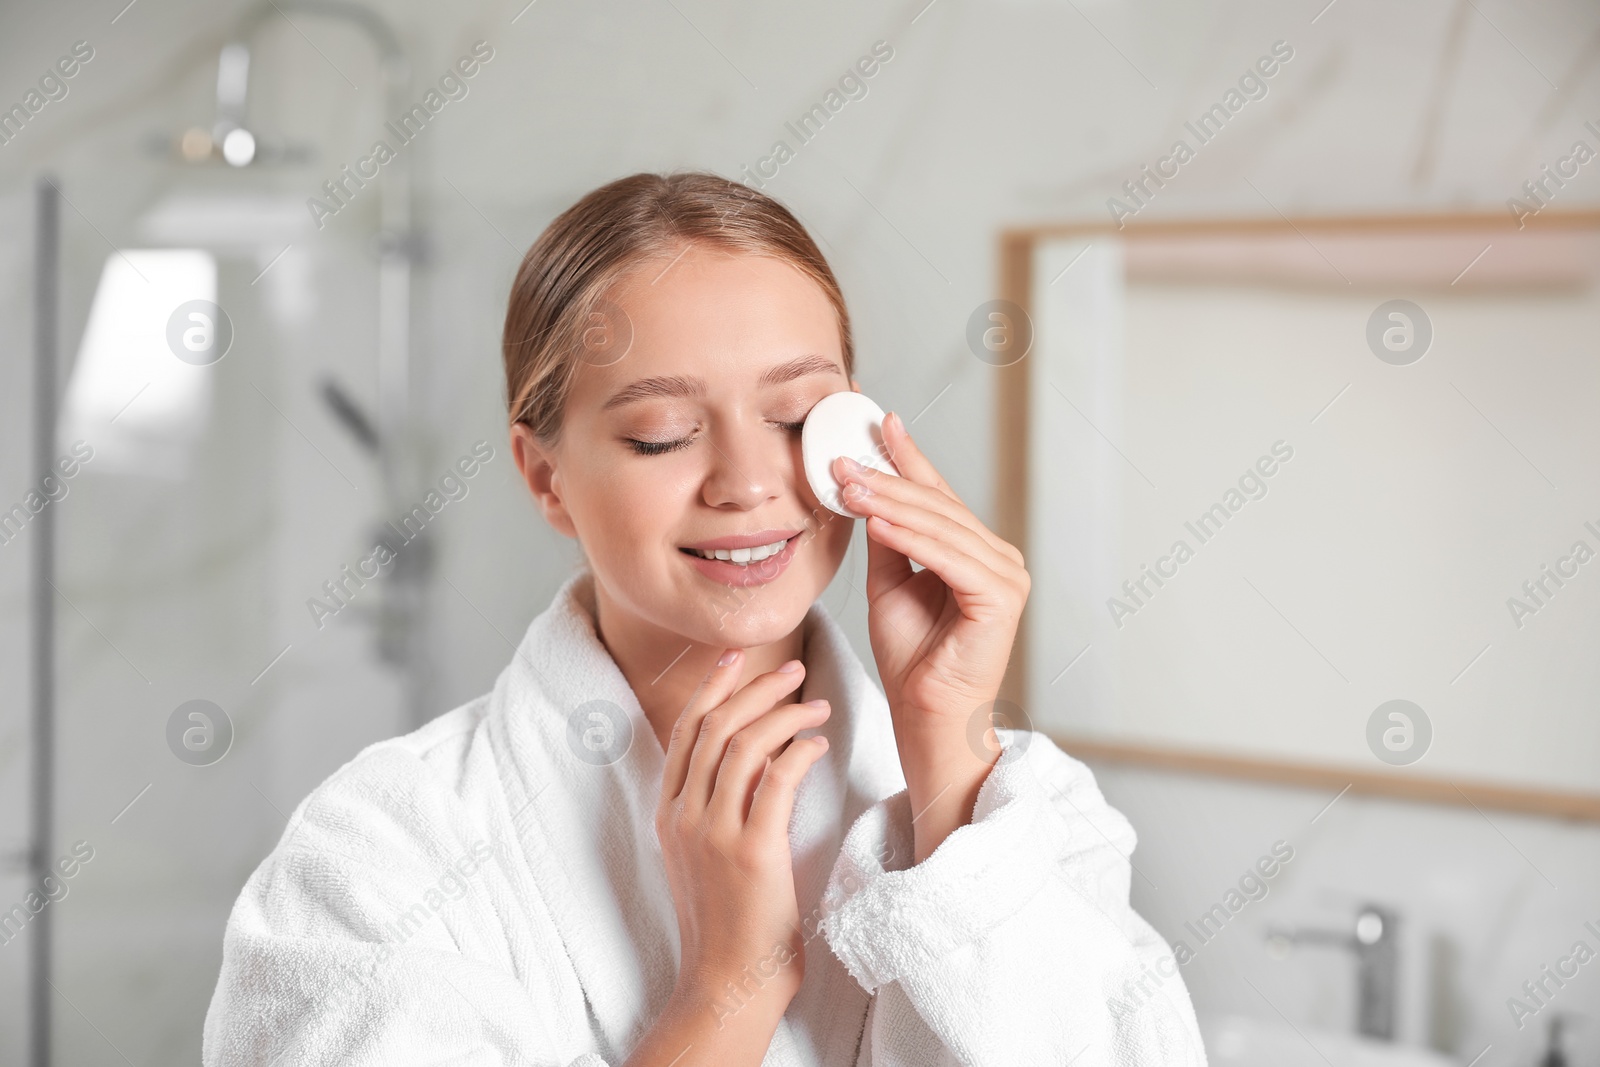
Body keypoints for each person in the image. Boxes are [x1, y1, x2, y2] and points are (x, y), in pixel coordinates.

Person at [203, 171, 1206, 1066]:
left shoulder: (1023, 818)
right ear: (545, 476)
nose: (745, 482)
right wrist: (727, 987)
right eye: (662, 434)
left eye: (793, 416)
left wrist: (948, 764)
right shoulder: (386, 848)